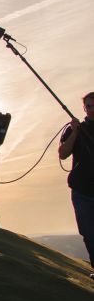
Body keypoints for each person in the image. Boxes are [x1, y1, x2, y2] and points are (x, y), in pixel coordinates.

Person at [58, 92, 94, 269]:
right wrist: (75, 132)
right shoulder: (76, 129)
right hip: (81, 191)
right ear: (84, 108)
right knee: (88, 232)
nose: (92, 109)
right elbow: (63, 154)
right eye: (89, 106)